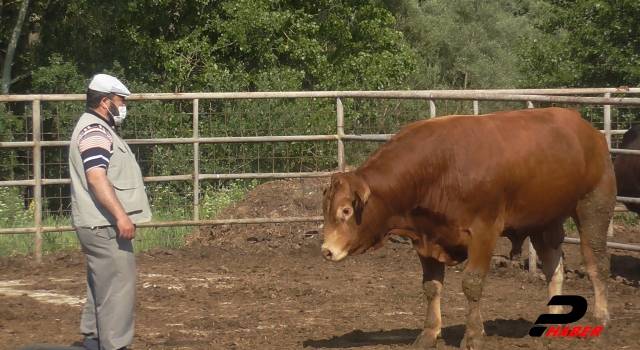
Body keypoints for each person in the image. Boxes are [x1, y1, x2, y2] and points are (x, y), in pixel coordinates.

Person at [68, 74, 152, 350]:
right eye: (121, 100)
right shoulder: (95, 131)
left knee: (102, 287)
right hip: (104, 226)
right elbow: (96, 177)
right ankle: (114, 345)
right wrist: (121, 215)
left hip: (96, 225)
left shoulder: (96, 128)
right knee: (118, 289)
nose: (124, 105)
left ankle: (92, 341)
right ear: (105, 102)